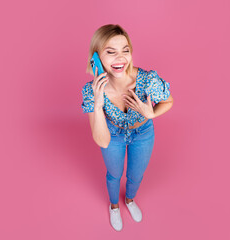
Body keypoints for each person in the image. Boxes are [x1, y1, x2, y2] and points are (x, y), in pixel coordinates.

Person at [81, 24, 173, 231]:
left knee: (136, 175)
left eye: (125, 50)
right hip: (112, 134)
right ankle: (114, 206)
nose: (120, 58)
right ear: (95, 58)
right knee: (114, 174)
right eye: (110, 52)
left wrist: (151, 114)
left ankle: (129, 200)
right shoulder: (91, 91)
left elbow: (168, 101)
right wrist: (97, 104)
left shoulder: (147, 80)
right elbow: (102, 141)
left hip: (143, 133)